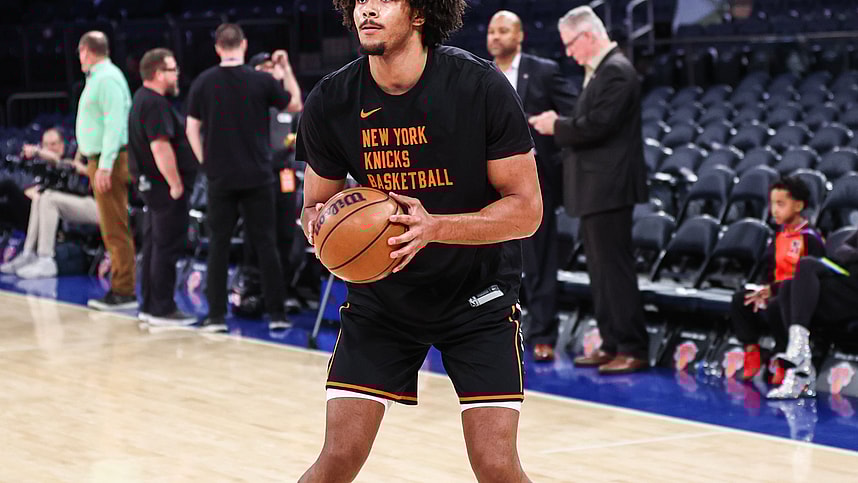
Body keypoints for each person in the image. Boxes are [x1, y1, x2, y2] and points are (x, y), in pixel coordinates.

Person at [296, 0, 541, 481]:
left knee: (495, 464)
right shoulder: (332, 99)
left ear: (421, 13)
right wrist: (326, 233)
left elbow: (527, 210)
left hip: (477, 296)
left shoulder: (480, 87)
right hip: (383, 299)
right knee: (338, 457)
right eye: (360, 0)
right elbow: (312, 207)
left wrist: (435, 228)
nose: (367, 10)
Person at [529, 6, 650, 374]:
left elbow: (597, 126)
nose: (568, 52)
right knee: (600, 272)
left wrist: (556, 125)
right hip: (596, 188)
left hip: (610, 188)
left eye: (570, 44)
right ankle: (612, 342)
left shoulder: (616, 71)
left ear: (588, 35)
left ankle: (632, 346)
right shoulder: (601, 71)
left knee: (614, 271)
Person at [186, 24, 302, 332]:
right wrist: (286, 68)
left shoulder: (203, 82)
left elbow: (190, 129)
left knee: (219, 247)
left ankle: (215, 317)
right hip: (258, 176)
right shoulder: (261, 80)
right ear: (244, 45)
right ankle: (277, 315)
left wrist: (205, 163)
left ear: (218, 48)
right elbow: (294, 104)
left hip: (220, 177)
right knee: (266, 245)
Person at [487, 9, 578, 362]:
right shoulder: (481, 74)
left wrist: (545, 128)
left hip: (535, 179)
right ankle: (493, 331)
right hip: (488, 181)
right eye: (492, 31)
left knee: (539, 262)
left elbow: (574, 114)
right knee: (492, 260)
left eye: (504, 30)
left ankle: (543, 335)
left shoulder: (544, 71)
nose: (495, 36)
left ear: (520, 36)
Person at [728, 177, 824, 382]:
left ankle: (783, 359)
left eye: (781, 204)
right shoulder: (778, 235)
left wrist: (772, 290)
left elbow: (814, 276)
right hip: (772, 290)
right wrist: (762, 289)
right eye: (772, 204)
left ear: (798, 205)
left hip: (796, 298)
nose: (774, 210)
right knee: (741, 299)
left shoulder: (811, 238)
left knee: (775, 306)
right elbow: (768, 268)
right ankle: (752, 351)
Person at [128, 48, 198, 327]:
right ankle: (162, 309)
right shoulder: (155, 103)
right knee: (166, 248)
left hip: (151, 188)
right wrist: (176, 183)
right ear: (158, 73)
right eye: (172, 69)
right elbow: (160, 146)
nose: (176, 74)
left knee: (154, 247)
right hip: (164, 189)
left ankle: (149, 306)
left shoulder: (141, 99)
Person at [75, 31, 138, 311]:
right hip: (99, 159)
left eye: (80, 53)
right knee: (110, 226)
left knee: (115, 226)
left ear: (87, 51)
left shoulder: (108, 78)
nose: (79, 58)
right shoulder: (100, 78)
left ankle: (123, 290)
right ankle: (120, 286)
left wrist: (105, 164)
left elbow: (115, 125)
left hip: (109, 161)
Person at [768, 229, 858, 399]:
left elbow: (847, 254)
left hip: (853, 295)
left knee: (805, 271)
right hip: (846, 282)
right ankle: (800, 360)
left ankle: (800, 363)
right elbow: (841, 250)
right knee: (790, 284)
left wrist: (851, 256)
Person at [0, 154, 98, 278]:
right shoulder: (85, 151)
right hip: (85, 198)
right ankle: (28, 254)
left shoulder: (111, 153)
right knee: (42, 196)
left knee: (48, 199)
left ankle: (46, 258)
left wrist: (83, 169)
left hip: (105, 206)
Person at [0, 128, 71, 231]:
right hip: (27, 207)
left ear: (62, 145)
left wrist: (36, 151)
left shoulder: (68, 164)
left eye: (53, 144)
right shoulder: (38, 164)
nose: (50, 148)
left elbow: (56, 159)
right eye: (46, 145)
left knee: (8, 185)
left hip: (48, 211)